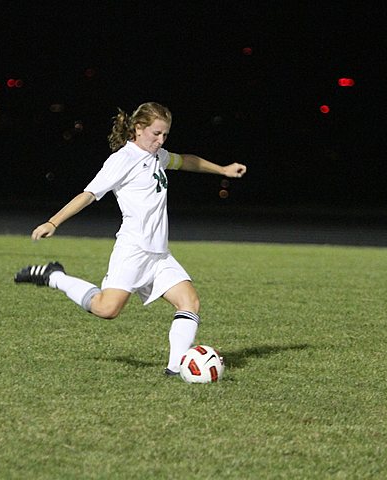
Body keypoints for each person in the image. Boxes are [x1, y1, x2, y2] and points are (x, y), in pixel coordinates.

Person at [14, 102, 247, 376]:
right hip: (133, 250)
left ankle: (175, 369)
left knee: (190, 303)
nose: (160, 141)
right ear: (138, 128)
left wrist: (222, 170)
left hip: (159, 254)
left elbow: (185, 161)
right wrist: (54, 221)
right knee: (106, 309)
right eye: (156, 134)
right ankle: (55, 276)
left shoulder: (157, 156)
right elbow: (88, 194)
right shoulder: (122, 160)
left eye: (165, 135)